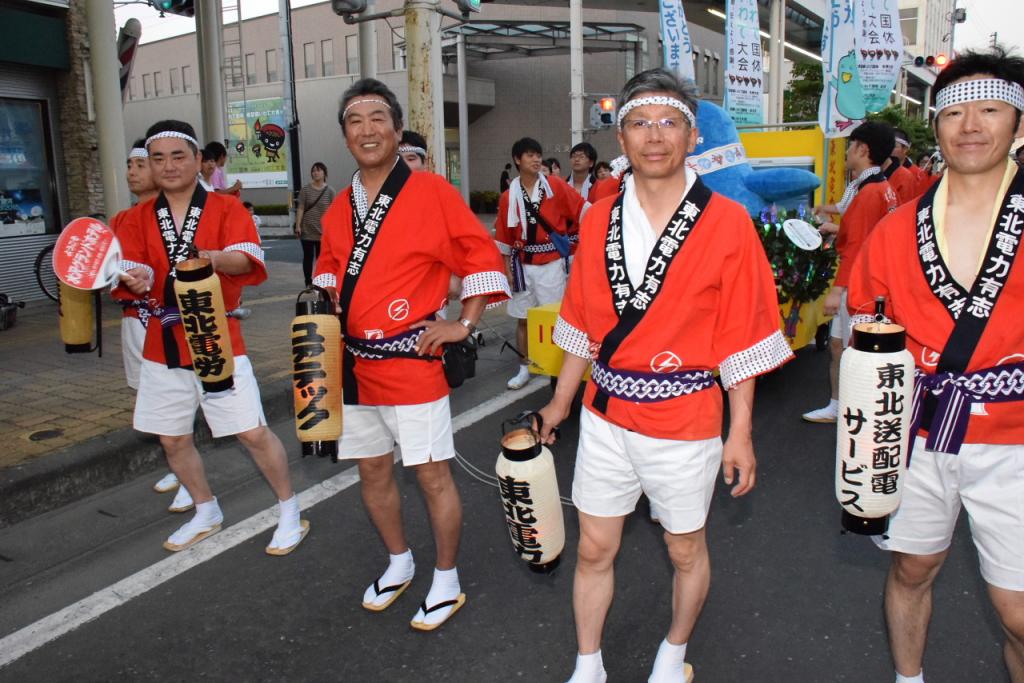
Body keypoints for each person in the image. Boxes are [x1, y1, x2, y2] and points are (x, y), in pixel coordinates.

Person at [537, 68, 792, 683]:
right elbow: (583, 323)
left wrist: (740, 432)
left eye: (669, 122)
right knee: (594, 547)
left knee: (684, 549)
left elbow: (742, 338)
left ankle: (673, 652)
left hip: (686, 418)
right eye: (640, 123)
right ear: (621, 138)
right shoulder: (598, 218)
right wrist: (560, 403)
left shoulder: (727, 222)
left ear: (692, 135)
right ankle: (588, 664)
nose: (655, 136)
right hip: (606, 414)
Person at [847, 46, 1024, 683]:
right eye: (954, 112)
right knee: (912, 568)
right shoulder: (897, 230)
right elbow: (870, 339)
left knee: (1016, 608)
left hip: (1015, 437)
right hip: (918, 431)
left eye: (990, 110)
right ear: (936, 125)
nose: (970, 125)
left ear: (1019, 123)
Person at [312, 79, 510, 630]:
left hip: (411, 360)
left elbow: (480, 256)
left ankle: (447, 577)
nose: (367, 130)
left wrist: (462, 324)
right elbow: (327, 269)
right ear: (345, 136)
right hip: (354, 364)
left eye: (378, 118)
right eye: (355, 121)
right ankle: (399, 561)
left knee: (430, 475)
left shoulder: (431, 192)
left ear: (398, 131)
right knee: (373, 470)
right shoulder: (339, 207)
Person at [115, 119, 309, 555]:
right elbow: (132, 270)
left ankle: (289, 509)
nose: (168, 166)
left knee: (251, 432)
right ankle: (206, 509)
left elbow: (248, 260)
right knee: (172, 438)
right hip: (161, 340)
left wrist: (214, 259)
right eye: (158, 158)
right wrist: (136, 277)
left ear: (198, 160)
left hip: (215, 336)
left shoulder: (226, 208)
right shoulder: (134, 218)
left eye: (178, 156)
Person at [801, 121, 899, 423]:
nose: (846, 152)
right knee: (839, 346)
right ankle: (839, 406)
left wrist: (837, 290)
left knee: (852, 351)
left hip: (861, 286)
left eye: (850, 145)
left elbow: (857, 246)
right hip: (869, 283)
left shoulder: (869, 192)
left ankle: (852, 412)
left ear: (862, 149)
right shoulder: (880, 188)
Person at [111, 140, 188, 505]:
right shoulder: (121, 219)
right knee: (146, 393)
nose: (132, 172)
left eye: (140, 165)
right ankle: (177, 462)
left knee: (178, 396)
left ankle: (187, 470)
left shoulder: (178, 218)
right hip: (133, 317)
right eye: (130, 165)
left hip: (170, 320)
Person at [495, 137, 588, 390]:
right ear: (517, 160)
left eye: (538, 155)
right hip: (521, 264)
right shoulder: (508, 196)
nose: (536, 159)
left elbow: (583, 210)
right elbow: (503, 236)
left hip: (551, 263)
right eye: (530, 155)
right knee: (523, 319)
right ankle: (524, 367)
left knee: (554, 318)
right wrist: (506, 270)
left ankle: (556, 367)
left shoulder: (555, 186)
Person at [294, 161, 336, 287]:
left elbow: (333, 212)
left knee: (321, 259)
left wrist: (333, 229)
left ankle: (319, 282)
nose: (315, 173)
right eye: (313, 171)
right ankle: (308, 282)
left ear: (324, 173)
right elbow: (301, 208)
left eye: (318, 170)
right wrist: (298, 225)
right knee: (308, 257)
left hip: (323, 231)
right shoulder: (305, 190)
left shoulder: (330, 191)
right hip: (307, 229)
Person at [883, 127, 922, 205]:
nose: (889, 149)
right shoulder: (881, 169)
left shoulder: (914, 173)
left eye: (894, 146)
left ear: (905, 149)